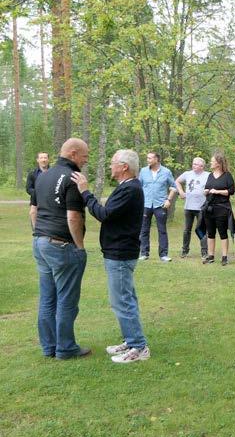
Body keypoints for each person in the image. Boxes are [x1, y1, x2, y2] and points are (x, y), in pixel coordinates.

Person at [71, 150, 150, 363]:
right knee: (126, 298)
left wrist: (85, 192)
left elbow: (104, 214)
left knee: (122, 301)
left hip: (121, 253)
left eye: (113, 162)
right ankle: (131, 339)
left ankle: (139, 346)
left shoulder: (131, 189)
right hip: (118, 251)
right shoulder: (127, 187)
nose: (110, 166)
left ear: (124, 167)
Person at [29, 138, 90, 360]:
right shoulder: (73, 178)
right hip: (62, 245)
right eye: (84, 156)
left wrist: (41, 235)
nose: (86, 160)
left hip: (40, 243)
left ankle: (49, 347)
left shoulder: (42, 176)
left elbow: (33, 212)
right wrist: (80, 246)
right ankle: (65, 348)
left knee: (47, 299)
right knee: (67, 300)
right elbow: (73, 216)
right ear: (73, 154)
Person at [138, 152, 177, 262]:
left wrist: (168, 200)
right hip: (146, 204)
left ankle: (163, 255)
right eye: (147, 158)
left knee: (162, 230)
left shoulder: (166, 172)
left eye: (150, 158)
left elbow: (174, 187)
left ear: (157, 159)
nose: (148, 160)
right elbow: (138, 187)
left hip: (160, 205)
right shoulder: (143, 171)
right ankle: (144, 253)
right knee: (144, 230)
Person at [201, 152, 235, 266]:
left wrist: (217, 191)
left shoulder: (227, 176)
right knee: (210, 233)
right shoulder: (210, 175)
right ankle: (211, 256)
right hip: (210, 208)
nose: (210, 163)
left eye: (212, 161)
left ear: (218, 163)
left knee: (222, 232)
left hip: (222, 208)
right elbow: (206, 188)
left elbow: (230, 191)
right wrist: (205, 191)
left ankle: (224, 257)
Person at [175, 157, 209, 259]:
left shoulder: (207, 175)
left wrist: (208, 191)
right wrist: (180, 192)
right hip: (189, 207)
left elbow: (212, 185)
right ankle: (185, 250)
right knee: (187, 230)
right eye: (193, 164)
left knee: (201, 230)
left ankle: (204, 252)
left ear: (202, 166)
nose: (194, 166)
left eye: (196, 164)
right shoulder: (187, 174)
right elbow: (177, 181)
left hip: (201, 208)